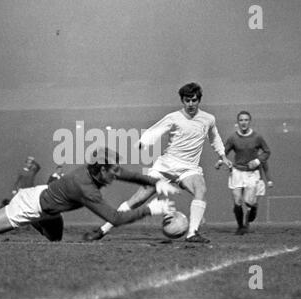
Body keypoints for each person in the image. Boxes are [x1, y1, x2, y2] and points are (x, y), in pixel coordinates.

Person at [0, 147, 179, 241]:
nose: (116, 175)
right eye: (113, 172)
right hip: (30, 206)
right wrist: (151, 210)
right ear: (101, 170)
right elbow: (116, 218)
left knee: (54, 244)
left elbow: (130, 175)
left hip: (49, 205)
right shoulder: (85, 188)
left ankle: (36, 223)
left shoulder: (99, 170)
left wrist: (156, 183)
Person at [84, 83, 232, 243]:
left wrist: (223, 155)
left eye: (194, 100)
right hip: (165, 167)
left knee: (200, 188)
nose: (190, 104)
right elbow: (156, 130)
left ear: (199, 100)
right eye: (187, 100)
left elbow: (214, 137)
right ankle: (102, 230)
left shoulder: (208, 119)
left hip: (188, 169)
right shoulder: (174, 117)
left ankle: (192, 234)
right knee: (138, 199)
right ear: (182, 100)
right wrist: (143, 142)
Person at [215, 111, 271, 235]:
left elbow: (267, 152)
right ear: (238, 122)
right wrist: (220, 161)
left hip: (252, 173)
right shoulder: (233, 138)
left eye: (246, 120)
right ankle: (240, 227)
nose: (243, 122)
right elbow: (224, 151)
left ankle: (253, 208)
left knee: (248, 201)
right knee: (237, 200)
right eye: (241, 120)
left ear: (249, 121)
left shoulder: (257, 137)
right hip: (237, 171)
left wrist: (257, 161)